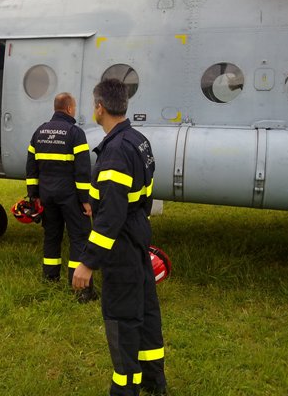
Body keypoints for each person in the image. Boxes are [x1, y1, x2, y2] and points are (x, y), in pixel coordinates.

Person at [73, 79, 167, 396]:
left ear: (100, 108)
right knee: (147, 314)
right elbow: (145, 194)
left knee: (122, 318)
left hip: (121, 245)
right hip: (137, 236)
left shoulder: (115, 152)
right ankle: (154, 382)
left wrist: (87, 263)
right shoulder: (139, 140)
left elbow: (111, 218)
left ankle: (125, 389)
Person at [25, 92, 97, 302]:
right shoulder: (75, 133)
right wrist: (85, 200)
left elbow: (31, 167)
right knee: (79, 238)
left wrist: (34, 195)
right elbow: (82, 170)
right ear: (69, 109)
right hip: (70, 196)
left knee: (52, 236)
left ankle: (50, 278)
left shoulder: (39, 132)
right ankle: (81, 289)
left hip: (47, 195)